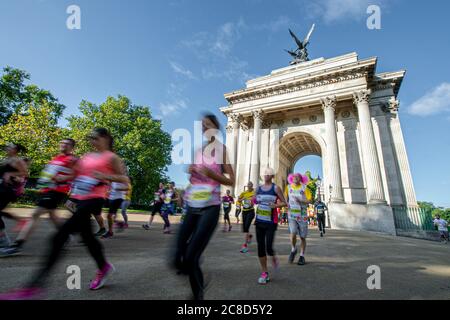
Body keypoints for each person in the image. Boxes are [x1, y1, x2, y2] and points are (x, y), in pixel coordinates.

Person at [0, 128, 129, 299]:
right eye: (90, 138)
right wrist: (60, 177)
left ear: (105, 138)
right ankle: (104, 266)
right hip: (79, 199)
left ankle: (33, 287)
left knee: (59, 237)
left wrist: (104, 176)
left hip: (94, 199)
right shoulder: (88, 156)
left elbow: (124, 180)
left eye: (95, 138)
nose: (92, 141)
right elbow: (76, 174)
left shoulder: (112, 157)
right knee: (89, 239)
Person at [174, 113, 235, 300]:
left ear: (216, 128)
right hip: (193, 204)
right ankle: (193, 264)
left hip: (211, 206)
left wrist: (212, 174)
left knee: (191, 257)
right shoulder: (199, 151)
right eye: (202, 126)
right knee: (177, 257)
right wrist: (190, 173)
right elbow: (193, 179)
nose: (204, 129)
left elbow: (232, 180)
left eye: (208, 125)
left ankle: (197, 294)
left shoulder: (222, 150)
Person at [7, 139, 78, 255]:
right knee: (52, 216)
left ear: (72, 147)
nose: (63, 145)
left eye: (67, 144)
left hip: (57, 191)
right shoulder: (56, 158)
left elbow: (78, 174)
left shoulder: (73, 159)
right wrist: (42, 185)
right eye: (62, 143)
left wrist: (64, 178)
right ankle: (66, 235)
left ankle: (17, 245)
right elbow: (48, 174)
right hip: (46, 190)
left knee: (36, 214)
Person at [254, 167, 287, 285]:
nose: (266, 175)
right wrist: (253, 199)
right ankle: (264, 272)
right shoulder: (258, 188)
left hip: (271, 222)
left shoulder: (276, 188)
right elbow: (254, 201)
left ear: (272, 176)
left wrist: (276, 206)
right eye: (265, 173)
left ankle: (273, 256)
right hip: (259, 221)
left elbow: (285, 203)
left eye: (269, 174)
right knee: (260, 247)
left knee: (268, 247)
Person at [0, 143, 28, 250]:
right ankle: (20, 221)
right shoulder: (6, 160)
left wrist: (11, 174)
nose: (7, 148)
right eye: (6, 147)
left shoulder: (17, 160)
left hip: (8, 190)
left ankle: (4, 242)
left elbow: (25, 173)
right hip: (2, 188)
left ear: (15, 150)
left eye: (9, 147)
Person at [285, 173, 312, 266]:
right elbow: (285, 199)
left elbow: (309, 200)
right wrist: (285, 204)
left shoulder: (305, 188)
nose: (295, 178)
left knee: (302, 237)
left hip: (302, 215)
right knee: (292, 233)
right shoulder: (288, 187)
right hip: (291, 214)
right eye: (294, 177)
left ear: (301, 179)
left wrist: (301, 201)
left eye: (297, 177)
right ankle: (293, 249)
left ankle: (301, 256)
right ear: (291, 179)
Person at [238, 182, 256, 253]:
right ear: (247, 186)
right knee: (245, 228)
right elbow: (238, 200)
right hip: (244, 212)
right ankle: (250, 235)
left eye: (251, 185)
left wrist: (252, 201)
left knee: (246, 228)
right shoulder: (244, 193)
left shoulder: (254, 193)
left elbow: (255, 201)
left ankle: (244, 246)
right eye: (248, 185)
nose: (249, 186)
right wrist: (242, 199)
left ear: (252, 186)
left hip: (251, 212)